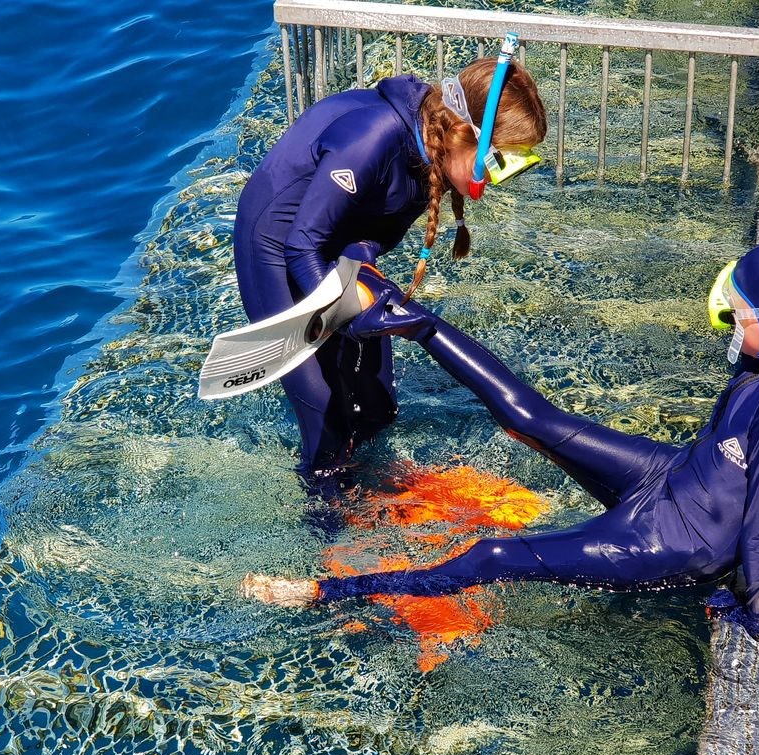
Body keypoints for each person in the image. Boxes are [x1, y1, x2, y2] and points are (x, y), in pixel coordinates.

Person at [241, 238, 759, 639]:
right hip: (672, 477)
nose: (728, 321)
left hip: (675, 538)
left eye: (743, 316)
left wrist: (757, 607)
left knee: (494, 556)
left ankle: (328, 591)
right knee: (531, 419)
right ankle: (413, 320)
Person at [232, 43, 547, 480]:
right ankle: (328, 539)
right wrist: (341, 314)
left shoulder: (431, 153)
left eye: (518, 164)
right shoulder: (373, 139)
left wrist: (361, 289)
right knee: (328, 425)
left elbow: (363, 233)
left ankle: (379, 503)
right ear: (463, 133)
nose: (499, 178)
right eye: (499, 161)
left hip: (334, 247)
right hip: (276, 248)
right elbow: (302, 244)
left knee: (377, 409)